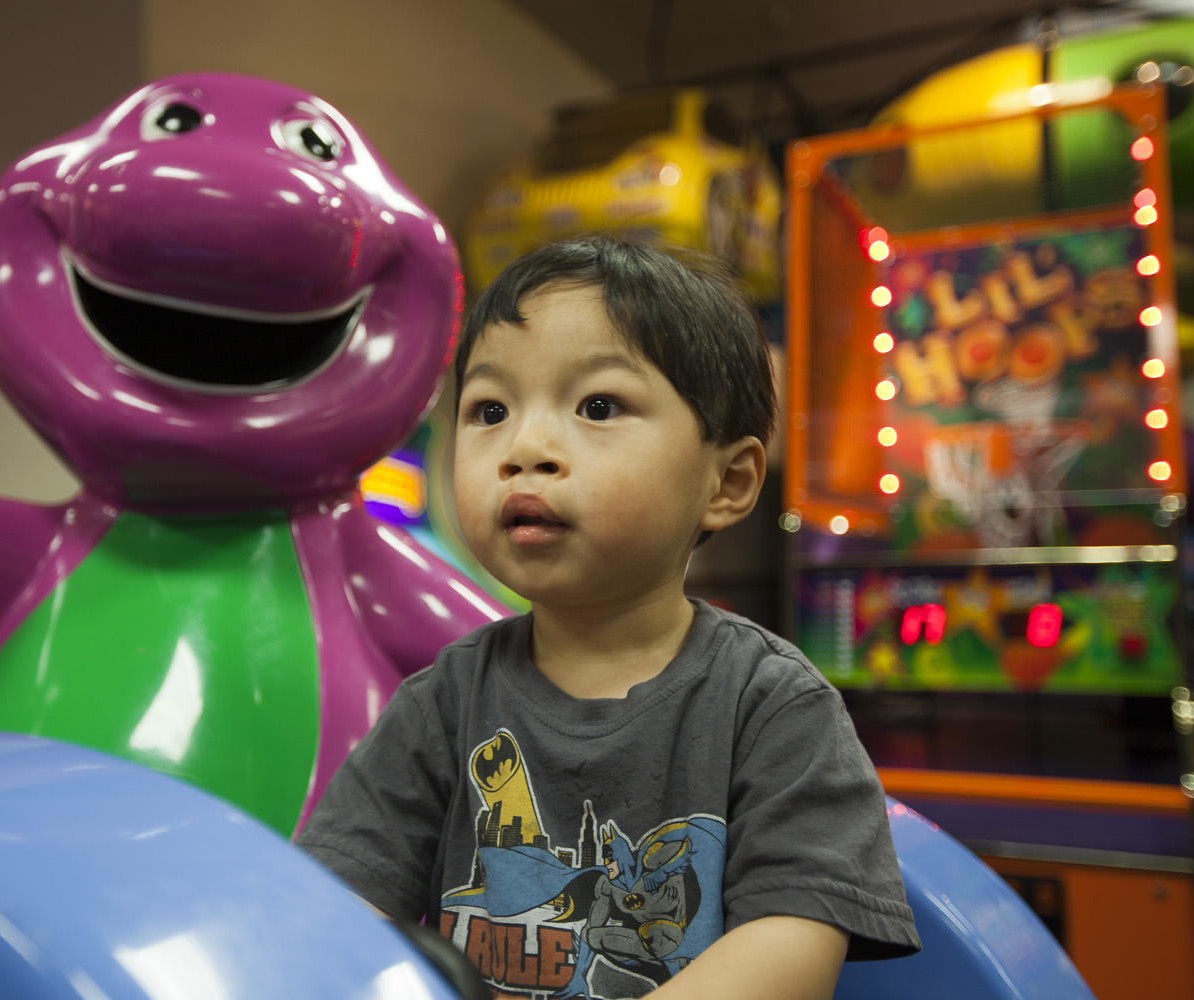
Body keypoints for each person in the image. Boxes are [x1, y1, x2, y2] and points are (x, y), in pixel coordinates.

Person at [297, 234, 920, 999]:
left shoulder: (773, 707)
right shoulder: (443, 703)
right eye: (490, 410)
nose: (525, 447)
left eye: (598, 406)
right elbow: (334, 910)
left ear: (727, 482)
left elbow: (791, 948)